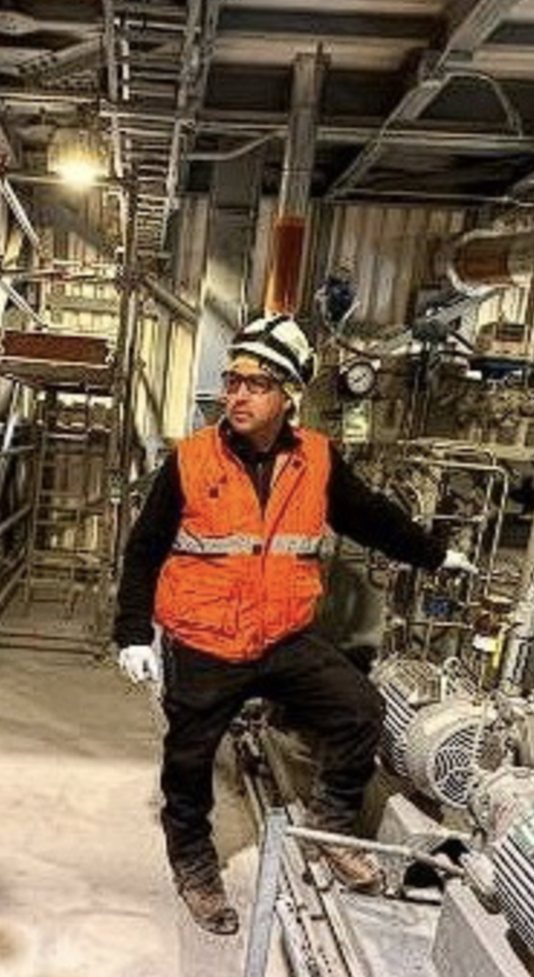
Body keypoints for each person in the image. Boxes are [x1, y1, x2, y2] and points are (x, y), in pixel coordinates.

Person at [112, 314, 476, 934]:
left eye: (256, 384)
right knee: (189, 761)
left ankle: (331, 826)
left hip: (280, 638)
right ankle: (194, 865)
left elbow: (372, 517)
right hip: (205, 641)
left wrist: (435, 554)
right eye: (233, 382)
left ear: (288, 396)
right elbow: (144, 549)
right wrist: (132, 633)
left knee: (359, 708)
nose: (238, 396)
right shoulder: (192, 460)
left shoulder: (317, 459)